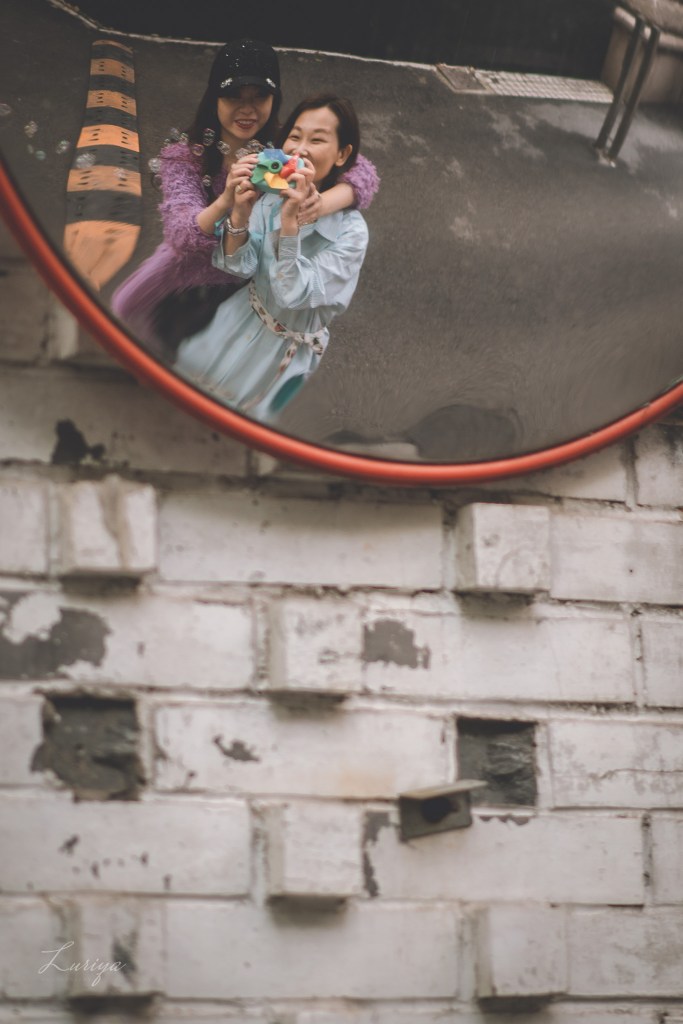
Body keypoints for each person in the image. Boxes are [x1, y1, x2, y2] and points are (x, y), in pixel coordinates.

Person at [111, 40, 379, 357]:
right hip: (184, 284)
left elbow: (362, 172)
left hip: (247, 286)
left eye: (259, 96)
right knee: (135, 335)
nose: (248, 110)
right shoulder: (185, 158)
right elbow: (182, 235)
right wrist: (225, 201)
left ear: (274, 100)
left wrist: (321, 205)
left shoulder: (278, 148)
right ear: (214, 98)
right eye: (234, 96)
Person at [173, 94, 369, 423]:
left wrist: (289, 225)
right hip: (234, 322)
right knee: (185, 407)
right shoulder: (270, 198)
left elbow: (293, 293)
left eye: (317, 140)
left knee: (244, 432)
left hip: (284, 355)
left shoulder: (352, 232)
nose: (300, 150)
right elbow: (240, 265)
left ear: (343, 154)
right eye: (295, 136)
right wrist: (239, 212)